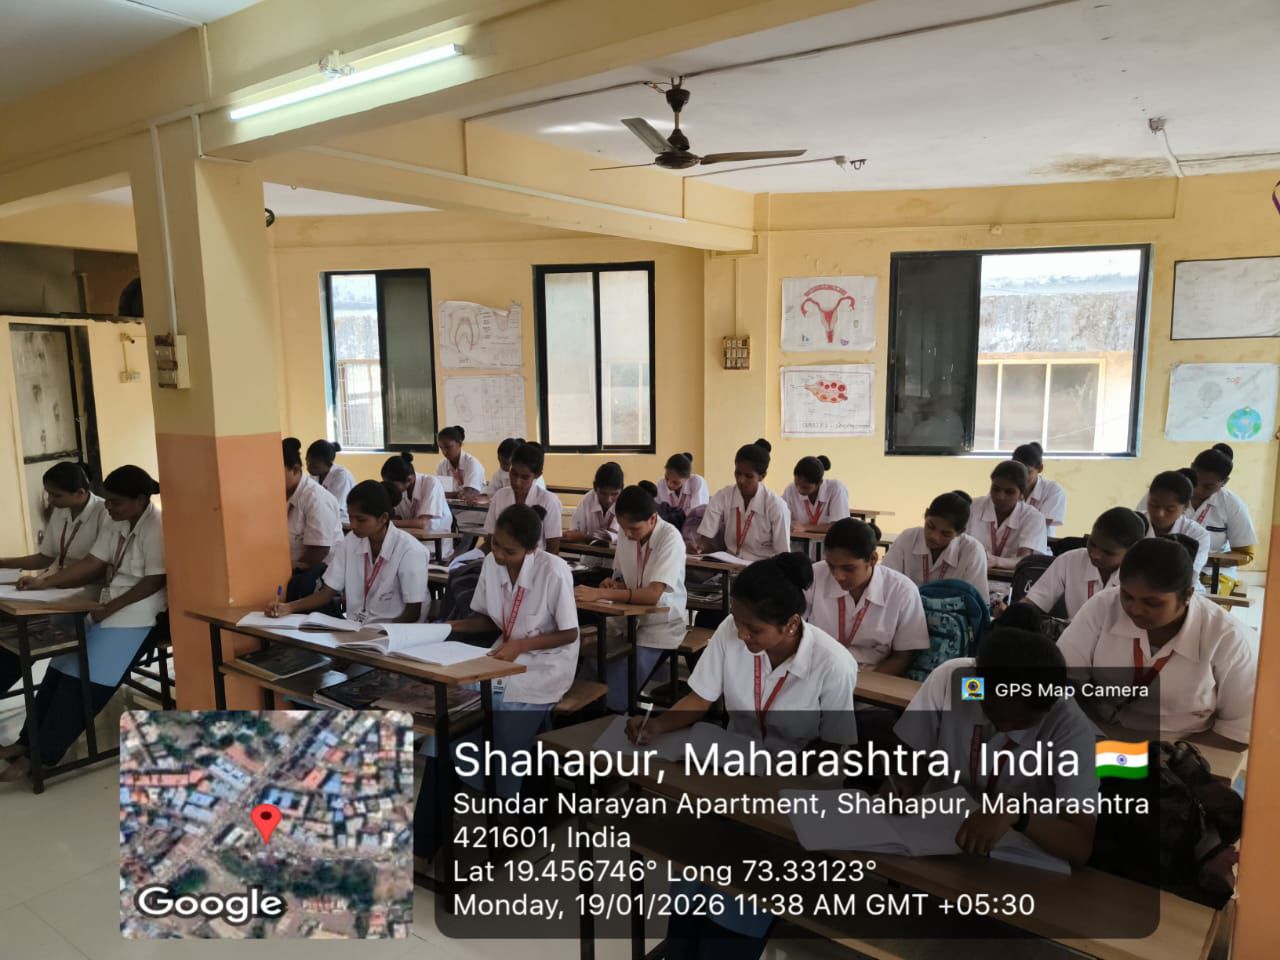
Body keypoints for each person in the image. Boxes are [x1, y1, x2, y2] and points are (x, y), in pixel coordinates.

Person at [626, 553, 856, 959]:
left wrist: (775, 784)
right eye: (738, 622)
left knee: (739, 896)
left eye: (755, 629)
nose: (743, 635)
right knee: (691, 877)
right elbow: (701, 697)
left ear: (791, 624)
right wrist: (657, 726)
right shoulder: (732, 631)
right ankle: (683, 944)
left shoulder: (832, 662)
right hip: (730, 769)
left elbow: (833, 750)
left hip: (792, 786)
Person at [414, 504, 579, 858]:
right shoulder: (492, 562)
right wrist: (447, 628)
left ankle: (506, 829)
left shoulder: (555, 572)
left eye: (510, 550)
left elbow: (568, 633)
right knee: (452, 716)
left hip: (544, 665)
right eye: (495, 544)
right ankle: (426, 837)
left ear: (532, 549)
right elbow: (489, 620)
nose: (500, 555)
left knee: (505, 725)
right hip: (502, 654)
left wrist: (522, 645)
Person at [0, 466, 166, 781]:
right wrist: (43, 585)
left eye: (116, 502)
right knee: (59, 669)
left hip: (138, 614)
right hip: (106, 605)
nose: (109, 507)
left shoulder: (156, 526)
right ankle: (26, 742)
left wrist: (110, 607)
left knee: (83, 684)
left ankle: (42, 756)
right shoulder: (118, 522)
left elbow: (154, 581)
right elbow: (93, 562)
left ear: (140, 500)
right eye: (108, 500)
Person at [891, 628, 1098, 864]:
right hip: (936, 839)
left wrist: (1018, 816)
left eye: (1024, 722)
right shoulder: (958, 681)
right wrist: (902, 786)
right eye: (992, 711)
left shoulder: (1068, 726)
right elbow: (918, 758)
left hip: (1016, 858)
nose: (1004, 727)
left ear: (1051, 705)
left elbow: (1080, 843)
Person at [1057, 538, 1256, 746]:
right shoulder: (1104, 606)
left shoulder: (1229, 639)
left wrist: (1162, 758)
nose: (1135, 609)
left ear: (1187, 594)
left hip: (1182, 752)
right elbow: (1063, 679)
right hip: (1102, 732)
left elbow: (1238, 733)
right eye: (1126, 596)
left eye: (1152, 603)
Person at [575, 485, 687, 712]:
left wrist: (602, 593)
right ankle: (580, 718)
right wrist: (613, 584)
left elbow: (653, 594)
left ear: (653, 519)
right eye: (623, 528)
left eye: (633, 529)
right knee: (592, 661)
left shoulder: (671, 539)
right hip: (628, 617)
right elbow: (626, 581)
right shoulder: (628, 534)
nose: (627, 534)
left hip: (660, 623)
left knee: (618, 683)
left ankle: (610, 718)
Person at [266, 480, 427, 624]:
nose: (353, 525)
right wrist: (288, 607)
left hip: (395, 634)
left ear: (383, 518)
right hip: (357, 629)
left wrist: (380, 634)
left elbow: (412, 613)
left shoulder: (410, 550)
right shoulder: (350, 542)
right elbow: (326, 593)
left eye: (361, 519)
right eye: (350, 518)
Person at [804, 519, 928, 675]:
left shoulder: (902, 591)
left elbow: (902, 657)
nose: (838, 576)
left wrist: (864, 685)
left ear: (873, 559)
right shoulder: (815, 575)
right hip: (816, 667)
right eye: (831, 566)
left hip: (871, 673)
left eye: (848, 568)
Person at [1019, 508, 1147, 620]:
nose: (1095, 554)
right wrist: (1013, 613)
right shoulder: (1070, 560)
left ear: (1131, 552)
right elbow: (1034, 602)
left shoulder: (1142, 577)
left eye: (1108, 553)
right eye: (1092, 544)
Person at [0, 461, 107, 574]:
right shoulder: (60, 509)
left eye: (57, 495)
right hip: (59, 581)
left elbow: (98, 566)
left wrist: (47, 582)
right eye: (48, 493)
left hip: (90, 584)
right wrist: (4, 563)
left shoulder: (104, 512)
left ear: (80, 493)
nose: (50, 500)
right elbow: (45, 558)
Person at [696, 439, 790, 562]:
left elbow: (783, 554)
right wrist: (699, 547)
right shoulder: (722, 496)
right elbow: (706, 537)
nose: (741, 480)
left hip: (763, 568)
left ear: (762, 476)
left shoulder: (776, 506)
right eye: (737, 473)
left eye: (748, 476)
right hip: (729, 563)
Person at [882, 491, 988, 596]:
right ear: (926, 514)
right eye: (930, 526)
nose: (934, 537)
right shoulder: (908, 538)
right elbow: (884, 582)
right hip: (906, 609)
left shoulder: (973, 551)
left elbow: (978, 602)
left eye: (945, 534)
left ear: (960, 532)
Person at [284, 438, 343, 599]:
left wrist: (287, 571)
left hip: (318, 578)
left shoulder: (316, 498)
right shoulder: (281, 493)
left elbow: (320, 551)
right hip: (291, 573)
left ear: (295, 470)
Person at [971, 460, 1050, 574]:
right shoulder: (973, 507)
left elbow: (1025, 560)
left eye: (1009, 492)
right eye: (996, 489)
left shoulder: (1034, 518)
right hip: (974, 574)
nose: (1000, 496)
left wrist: (996, 561)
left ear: (1021, 494)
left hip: (1014, 581)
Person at [482, 442, 562, 554]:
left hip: (535, 565)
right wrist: (470, 558)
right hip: (501, 563)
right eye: (513, 474)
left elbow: (553, 549)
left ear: (537, 475)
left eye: (525, 477)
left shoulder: (549, 501)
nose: (517, 482)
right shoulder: (500, 496)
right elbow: (490, 541)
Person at [1187, 444, 1256, 561]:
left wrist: (1203, 561)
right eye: (1195, 481)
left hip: (1213, 571)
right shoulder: (1164, 491)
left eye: (1208, 486)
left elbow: (1245, 554)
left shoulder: (1233, 505)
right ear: (1191, 467)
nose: (1197, 489)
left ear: (1224, 482)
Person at [1138, 471, 1211, 577]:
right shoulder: (1133, 523)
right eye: (1154, 506)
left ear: (1185, 507)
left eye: (1170, 509)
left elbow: (1189, 576)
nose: (1160, 514)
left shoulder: (1197, 535)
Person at [381, 451, 453, 546]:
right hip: (410, 541)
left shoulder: (431, 483)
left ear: (409, 479)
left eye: (393, 485)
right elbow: (397, 516)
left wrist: (388, 523)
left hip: (433, 545)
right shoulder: (399, 491)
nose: (390, 488)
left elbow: (422, 523)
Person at [564, 462, 623, 546]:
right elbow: (575, 532)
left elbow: (612, 537)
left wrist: (584, 537)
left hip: (614, 556)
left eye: (614, 494)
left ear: (621, 489)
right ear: (595, 488)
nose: (608, 500)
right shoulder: (588, 499)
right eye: (603, 493)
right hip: (589, 554)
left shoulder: (625, 502)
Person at [782, 455, 851, 527]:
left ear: (820, 483)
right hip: (799, 537)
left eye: (805, 487)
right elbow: (782, 518)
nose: (799, 490)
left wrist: (805, 527)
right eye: (796, 484)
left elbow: (839, 527)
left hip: (830, 538)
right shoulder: (791, 489)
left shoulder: (836, 488)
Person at [1013, 442, 1067, 532]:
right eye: (1017, 471)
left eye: (1028, 472)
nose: (1022, 476)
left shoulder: (1053, 490)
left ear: (1040, 468)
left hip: (1038, 544)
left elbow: (1040, 525)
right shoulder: (1004, 488)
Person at [305, 439, 355, 524]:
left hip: (342, 523)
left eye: (314, 465)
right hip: (322, 519)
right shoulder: (315, 475)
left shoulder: (341, 476)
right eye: (307, 462)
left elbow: (333, 507)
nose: (308, 468)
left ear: (329, 463)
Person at [435, 425, 485, 497]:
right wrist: (459, 493)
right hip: (450, 506)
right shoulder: (442, 466)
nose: (444, 452)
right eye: (441, 448)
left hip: (474, 507)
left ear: (460, 444)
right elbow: (440, 493)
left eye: (448, 447)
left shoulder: (472, 464)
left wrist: (454, 494)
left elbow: (469, 494)